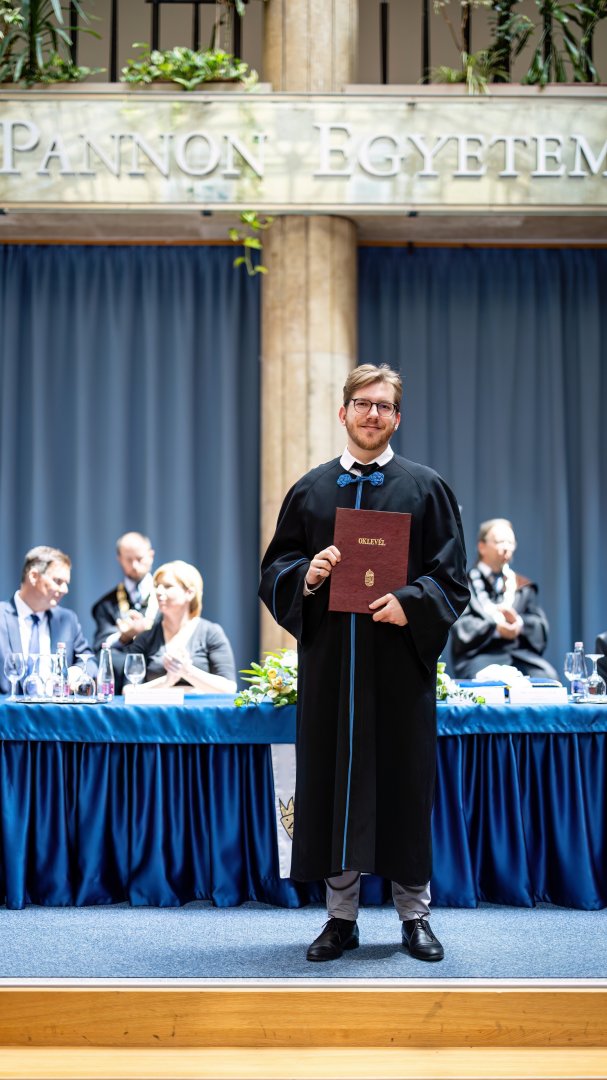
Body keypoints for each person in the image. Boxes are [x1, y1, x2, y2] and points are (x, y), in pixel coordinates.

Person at [259, 364, 470, 964]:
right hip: (331, 670)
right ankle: (340, 918)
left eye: (383, 405)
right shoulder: (311, 490)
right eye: (362, 403)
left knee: (403, 785)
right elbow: (275, 571)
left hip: (398, 672)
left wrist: (412, 603)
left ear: (397, 418)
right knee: (332, 786)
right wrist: (308, 575)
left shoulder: (426, 488)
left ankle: (415, 915)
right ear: (343, 412)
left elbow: (453, 578)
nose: (372, 414)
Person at [450, 518, 558, 680]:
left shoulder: (523, 587)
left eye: (511, 542)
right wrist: (496, 629)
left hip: (518, 655)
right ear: (481, 546)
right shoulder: (464, 585)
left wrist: (519, 624)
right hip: (479, 656)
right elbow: (461, 626)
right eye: (500, 542)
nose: (507, 547)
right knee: (490, 682)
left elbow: (539, 626)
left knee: (548, 677)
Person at [124, 560, 236, 694]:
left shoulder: (211, 633)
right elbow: (128, 691)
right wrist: (167, 681)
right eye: (157, 586)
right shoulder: (145, 638)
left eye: (167, 586)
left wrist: (187, 671)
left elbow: (229, 688)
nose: (158, 591)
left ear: (189, 593)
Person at [0, 545, 96, 694]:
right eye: (58, 581)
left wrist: (76, 672)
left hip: (54, 707)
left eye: (66, 583)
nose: (65, 590)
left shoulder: (67, 619)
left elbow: (89, 661)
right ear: (34, 576)